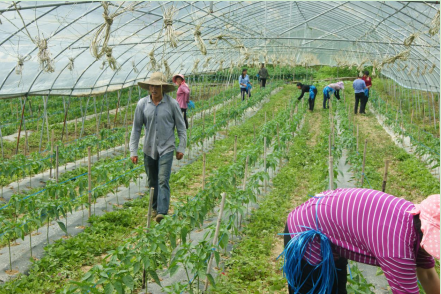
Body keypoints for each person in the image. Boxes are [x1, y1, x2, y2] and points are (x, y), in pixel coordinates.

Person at [281, 188, 440, 294]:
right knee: (312, 290)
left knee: (337, 289)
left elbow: (428, 276)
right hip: (306, 230)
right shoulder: (397, 247)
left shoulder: (418, 228)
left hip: (332, 229)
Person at [129, 72, 187, 223]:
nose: (153, 89)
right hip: (149, 149)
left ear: (163, 88)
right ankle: (155, 207)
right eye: (151, 86)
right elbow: (136, 129)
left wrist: (181, 147)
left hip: (166, 148)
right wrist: (133, 151)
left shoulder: (172, 104)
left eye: (157, 86)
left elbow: (181, 128)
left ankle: (162, 211)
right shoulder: (142, 104)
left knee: (162, 180)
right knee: (152, 181)